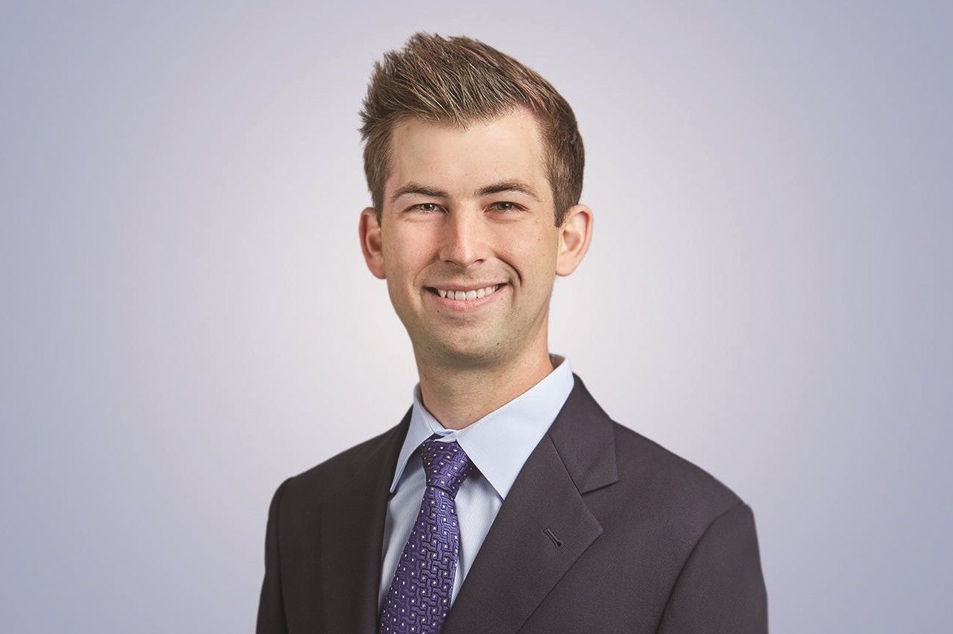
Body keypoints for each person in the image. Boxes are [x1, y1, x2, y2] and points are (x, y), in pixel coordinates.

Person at [256, 33, 767, 634]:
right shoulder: (305, 513)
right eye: (425, 206)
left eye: (503, 205)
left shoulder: (694, 534)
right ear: (375, 242)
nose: (463, 250)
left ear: (569, 238)